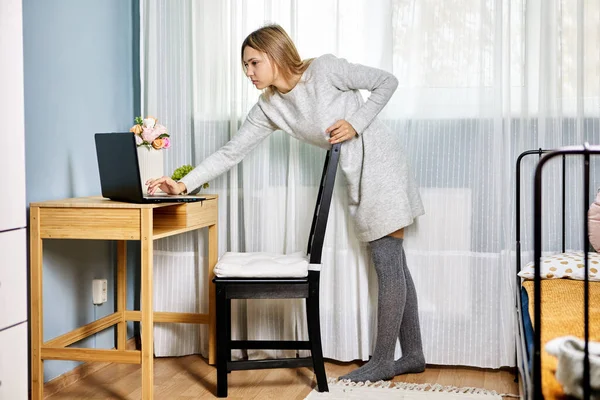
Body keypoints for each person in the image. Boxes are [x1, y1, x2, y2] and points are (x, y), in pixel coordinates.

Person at [146, 24, 426, 383]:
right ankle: (413, 354)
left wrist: (355, 123)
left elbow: (386, 81)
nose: (248, 72)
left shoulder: (324, 69)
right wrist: (182, 184)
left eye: (253, 63)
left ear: (275, 54)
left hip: (382, 165)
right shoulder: (269, 107)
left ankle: (384, 360)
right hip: (357, 175)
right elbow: (231, 152)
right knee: (395, 263)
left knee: (388, 262)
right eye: (244, 66)